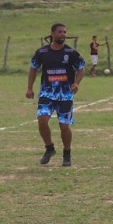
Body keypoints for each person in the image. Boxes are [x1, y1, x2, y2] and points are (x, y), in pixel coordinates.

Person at [26, 22, 86, 166]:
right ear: (52, 33)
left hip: (65, 95)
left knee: (64, 126)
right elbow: (33, 68)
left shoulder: (70, 53)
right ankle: (49, 148)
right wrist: (30, 88)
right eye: (60, 32)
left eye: (64, 32)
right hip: (47, 93)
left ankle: (67, 153)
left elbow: (81, 68)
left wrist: (76, 83)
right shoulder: (42, 52)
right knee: (42, 120)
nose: (63, 35)